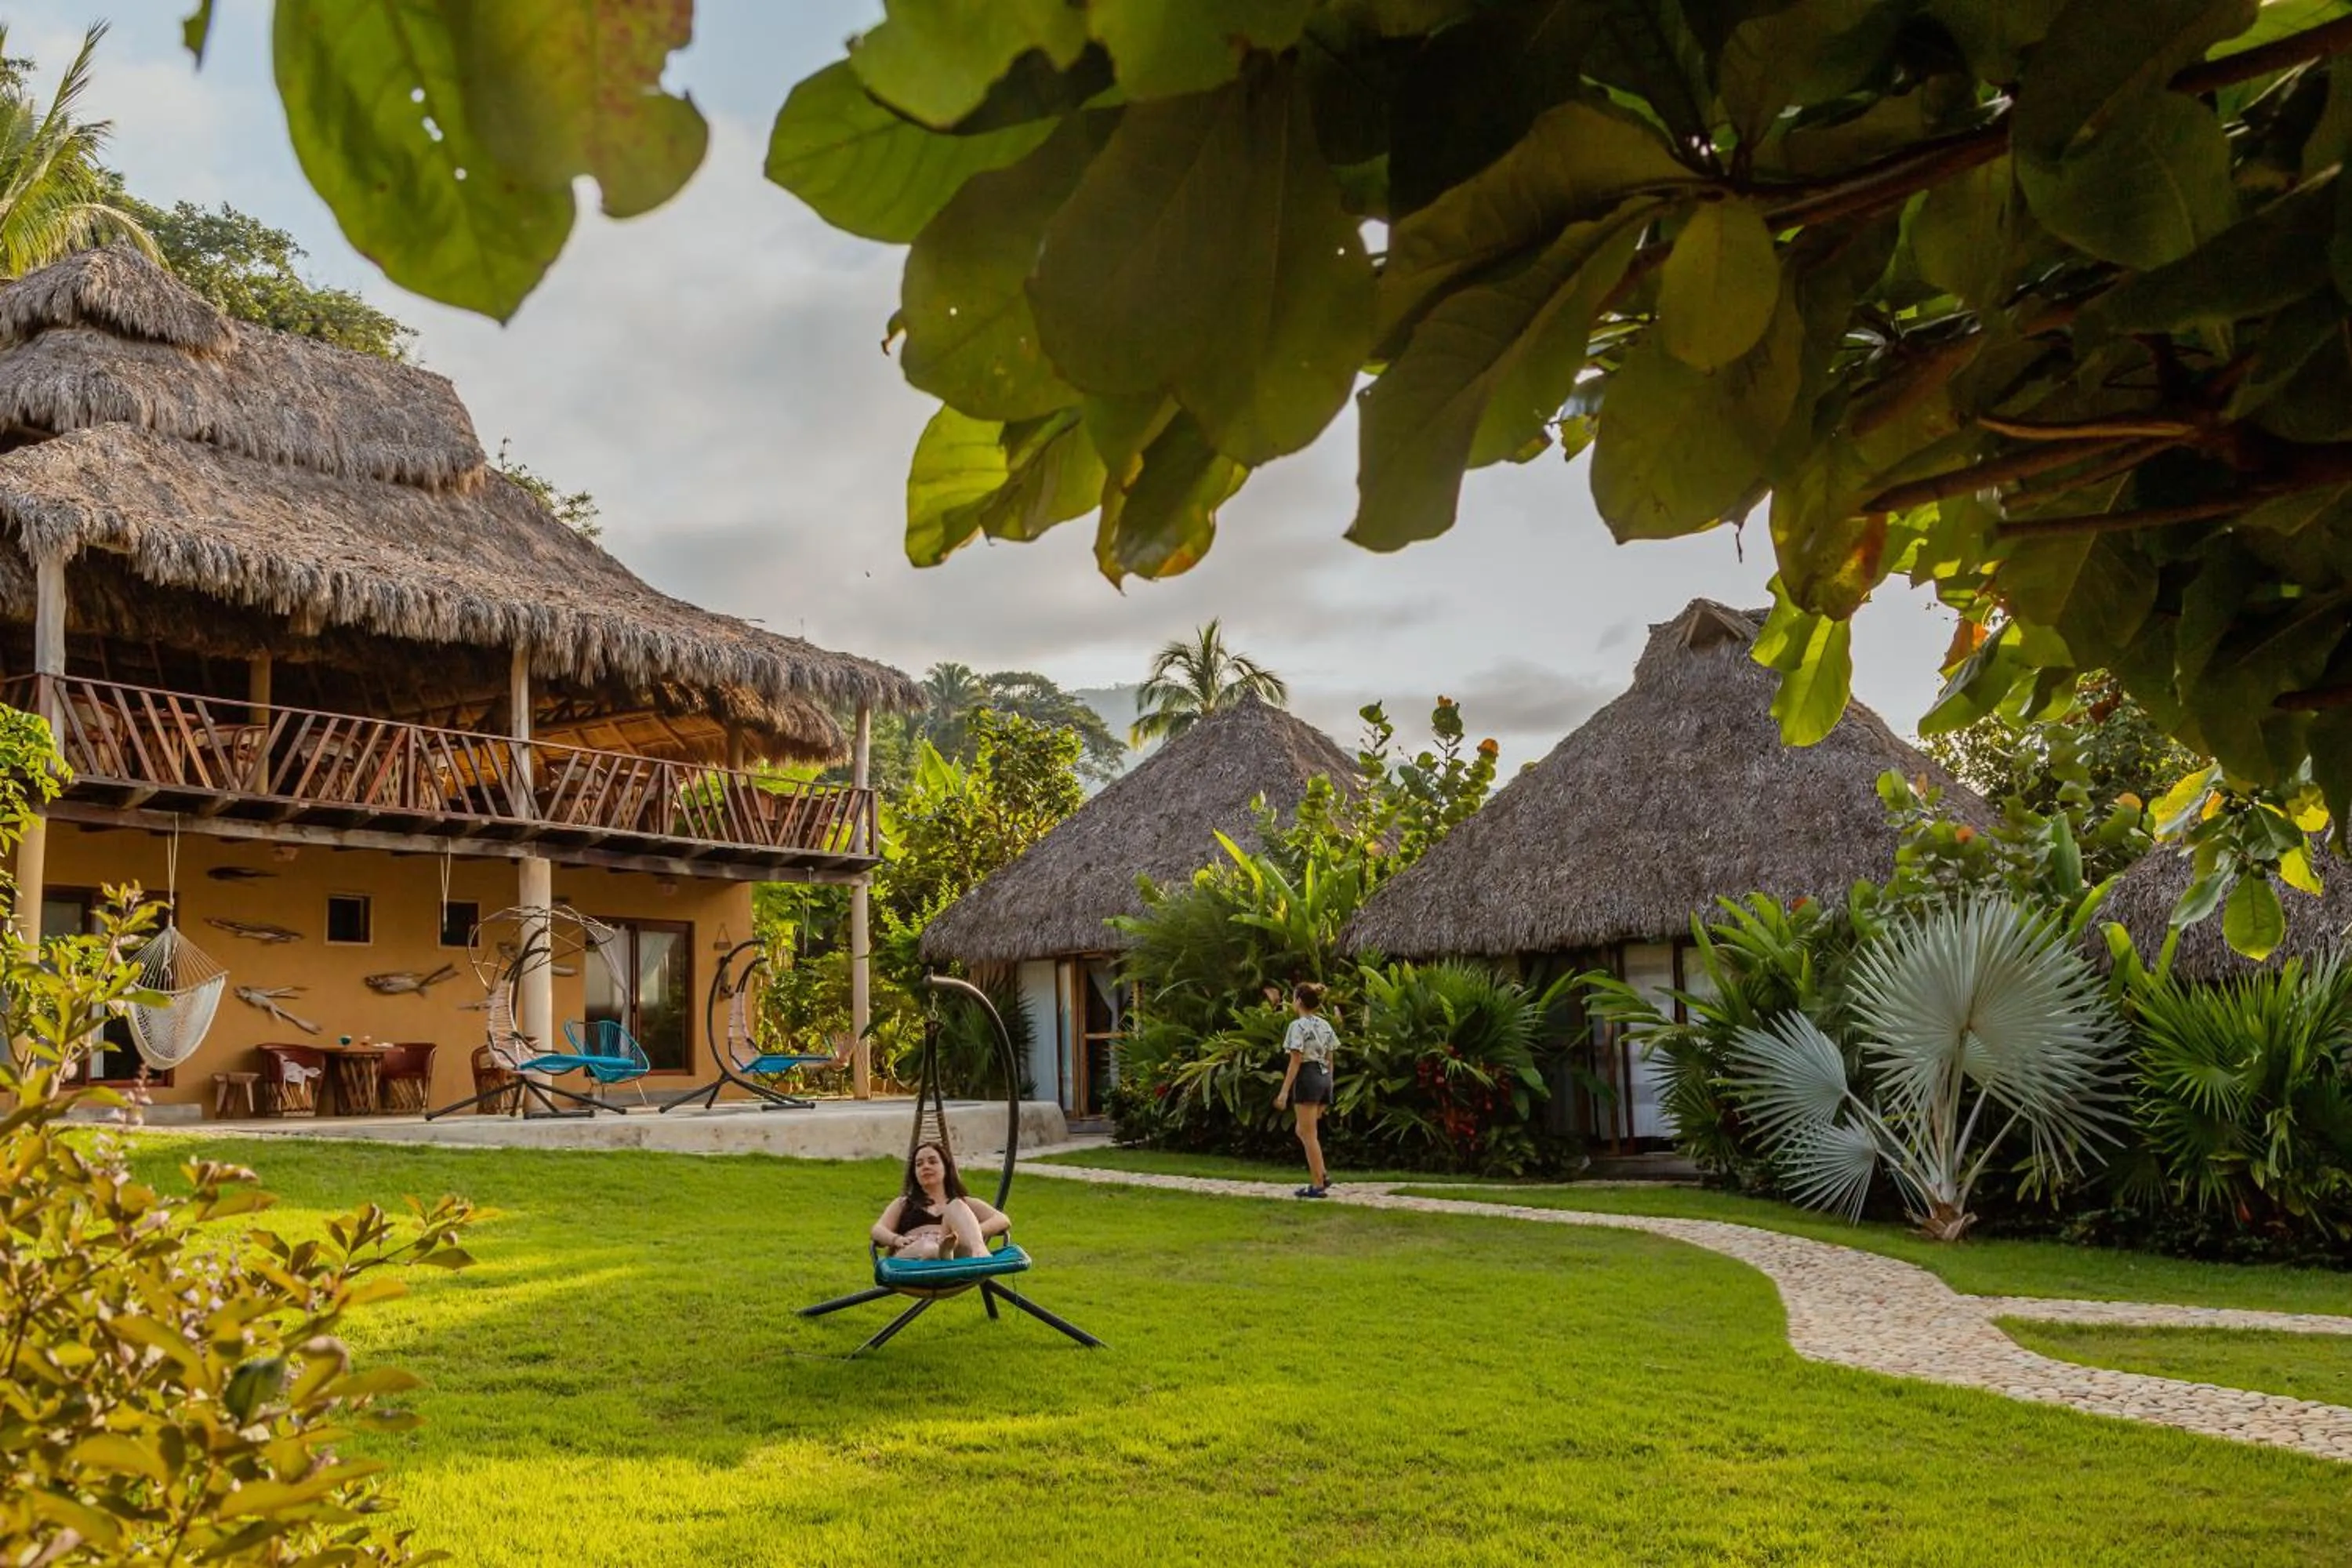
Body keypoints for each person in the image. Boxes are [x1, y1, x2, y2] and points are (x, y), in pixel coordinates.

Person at [871, 1138, 1009, 1259]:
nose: (926, 1166)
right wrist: (896, 1240)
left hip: (955, 1250)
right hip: (915, 1251)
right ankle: (941, 1253)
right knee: (929, 1249)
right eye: (919, 1164)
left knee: (956, 1205)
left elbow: (1002, 1220)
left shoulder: (964, 1203)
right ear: (915, 1174)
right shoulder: (904, 1203)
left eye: (932, 1162)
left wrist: (972, 1232)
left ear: (946, 1168)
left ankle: (977, 1250)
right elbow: (877, 1230)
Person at [1273, 981, 1339, 1199]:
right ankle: (1322, 1173)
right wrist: (1329, 1083)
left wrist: (1284, 1092)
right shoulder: (1325, 1025)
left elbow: (1295, 1060)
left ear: (1299, 1001)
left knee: (1309, 1135)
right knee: (1302, 1130)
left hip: (1308, 1076)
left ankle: (1318, 1184)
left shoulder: (1297, 1026)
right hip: (1324, 1077)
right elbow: (1331, 1058)